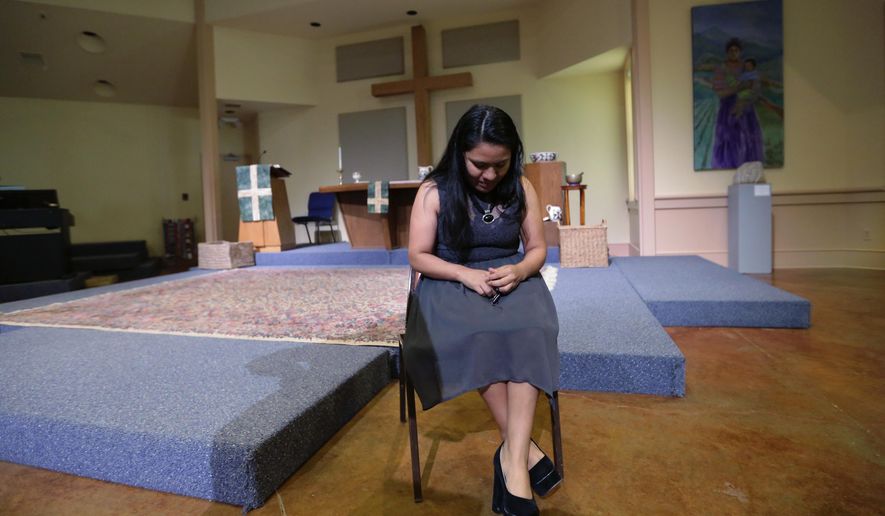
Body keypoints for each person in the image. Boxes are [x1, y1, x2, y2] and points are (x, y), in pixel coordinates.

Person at [404, 104, 560, 515]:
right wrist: (462, 274)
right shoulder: (434, 191)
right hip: (448, 281)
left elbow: (538, 249)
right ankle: (521, 460)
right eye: (478, 165)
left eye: (500, 165)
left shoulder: (521, 187)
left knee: (532, 326)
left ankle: (513, 458)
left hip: (508, 274)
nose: (489, 175)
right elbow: (418, 256)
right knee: (480, 331)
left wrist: (521, 268)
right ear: (459, 153)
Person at [711, 38, 765, 168]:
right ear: (727, 52)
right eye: (731, 50)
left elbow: (754, 86)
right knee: (729, 139)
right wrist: (737, 88)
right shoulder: (721, 68)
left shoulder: (745, 67)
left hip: (746, 107)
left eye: (736, 50)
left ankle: (748, 171)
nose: (734, 52)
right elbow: (720, 92)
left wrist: (744, 100)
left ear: (740, 52)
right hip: (728, 108)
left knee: (747, 138)